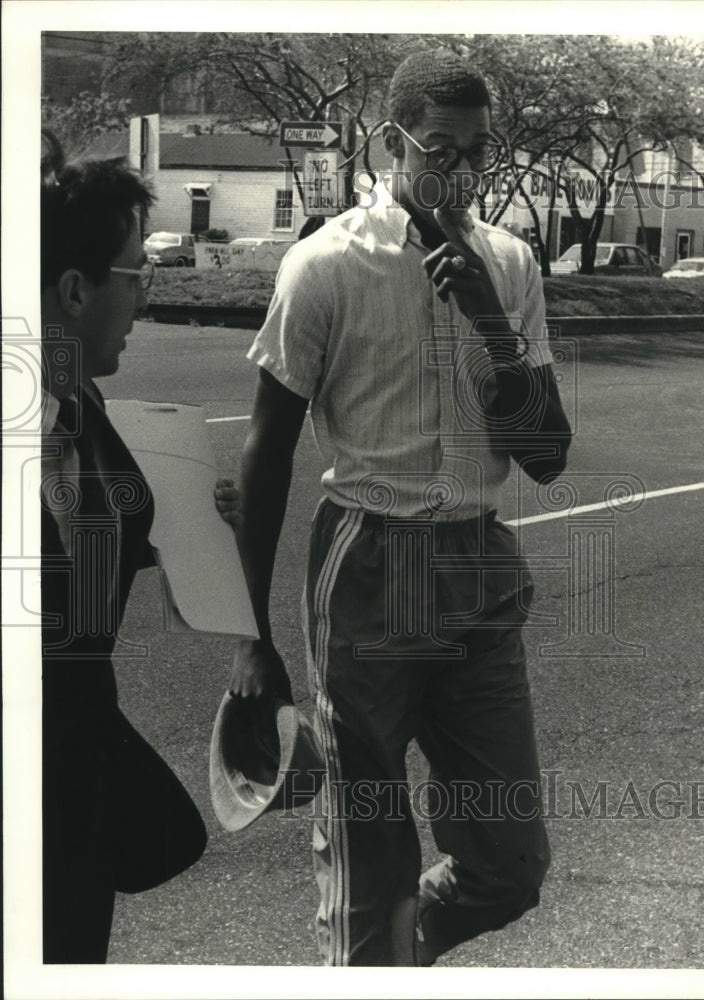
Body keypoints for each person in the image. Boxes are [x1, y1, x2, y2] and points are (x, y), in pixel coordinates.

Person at [232, 51, 572, 966]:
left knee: (509, 861)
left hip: (476, 561)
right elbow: (265, 453)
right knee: (368, 853)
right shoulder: (327, 264)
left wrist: (492, 322)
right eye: (440, 150)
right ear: (392, 144)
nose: (461, 173)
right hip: (368, 562)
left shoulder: (510, 262)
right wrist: (249, 637)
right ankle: (371, 954)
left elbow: (548, 457)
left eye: (478, 153)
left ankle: (396, 950)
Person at [39, 132, 238, 963]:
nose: (142, 301)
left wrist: (177, 526)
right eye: (135, 278)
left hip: (74, 798)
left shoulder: (76, 402)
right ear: (77, 290)